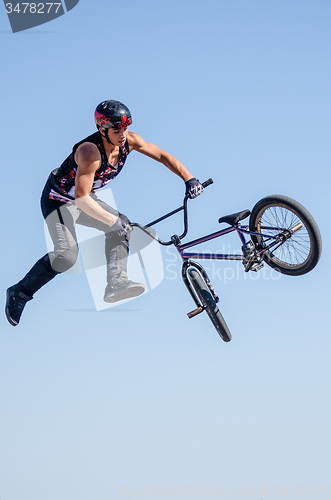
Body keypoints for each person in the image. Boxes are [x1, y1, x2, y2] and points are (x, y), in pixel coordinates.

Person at [5, 100, 204, 326]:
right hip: (58, 202)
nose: (122, 135)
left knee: (122, 226)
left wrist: (189, 178)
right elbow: (80, 197)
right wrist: (112, 220)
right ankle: (19, 292)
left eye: (125, 129)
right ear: (103, 129)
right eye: (116, 131)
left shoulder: (129, 140)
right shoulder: (90, 153)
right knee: (66, 257)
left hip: (86, 198)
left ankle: (116, 283)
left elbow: (162, 155)